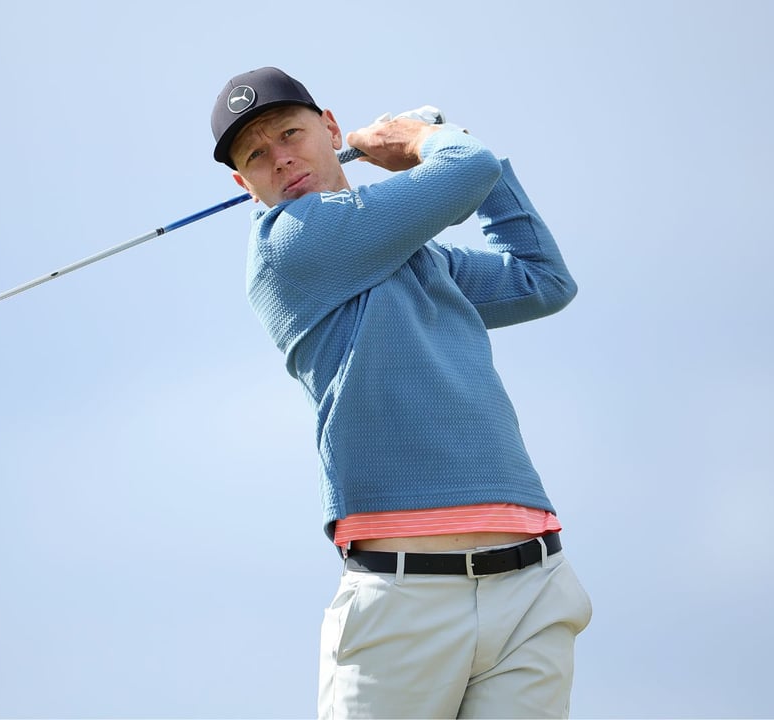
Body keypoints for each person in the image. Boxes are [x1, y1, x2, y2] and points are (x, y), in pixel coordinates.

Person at [209, 67, 593, 719]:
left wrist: (474, 157)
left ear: (329, 128)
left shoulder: (423, 260)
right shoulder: (288, 247)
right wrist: (427, 140)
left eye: (290, 134)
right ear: (245, 185)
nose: (281, 158)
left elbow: (544, 281)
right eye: (256, 155)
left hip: (531, 583)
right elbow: (460, 170)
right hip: (402, 596)